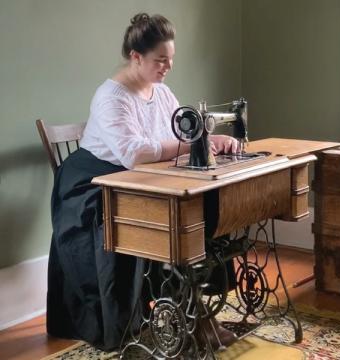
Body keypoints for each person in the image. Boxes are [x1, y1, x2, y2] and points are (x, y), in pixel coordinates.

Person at [47, 12, 238, 351]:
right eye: (160, 59)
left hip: (133, 175)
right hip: (90, 185)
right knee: (154, 218)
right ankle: (192, 316)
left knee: (199, 205)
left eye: (171, 59)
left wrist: (209, 141)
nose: (168, 67)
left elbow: (180, 132)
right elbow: (134, 153)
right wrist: (196, 142)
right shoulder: (110, 98)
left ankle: (192, 310)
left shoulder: (161, 93)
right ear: (136, 57)